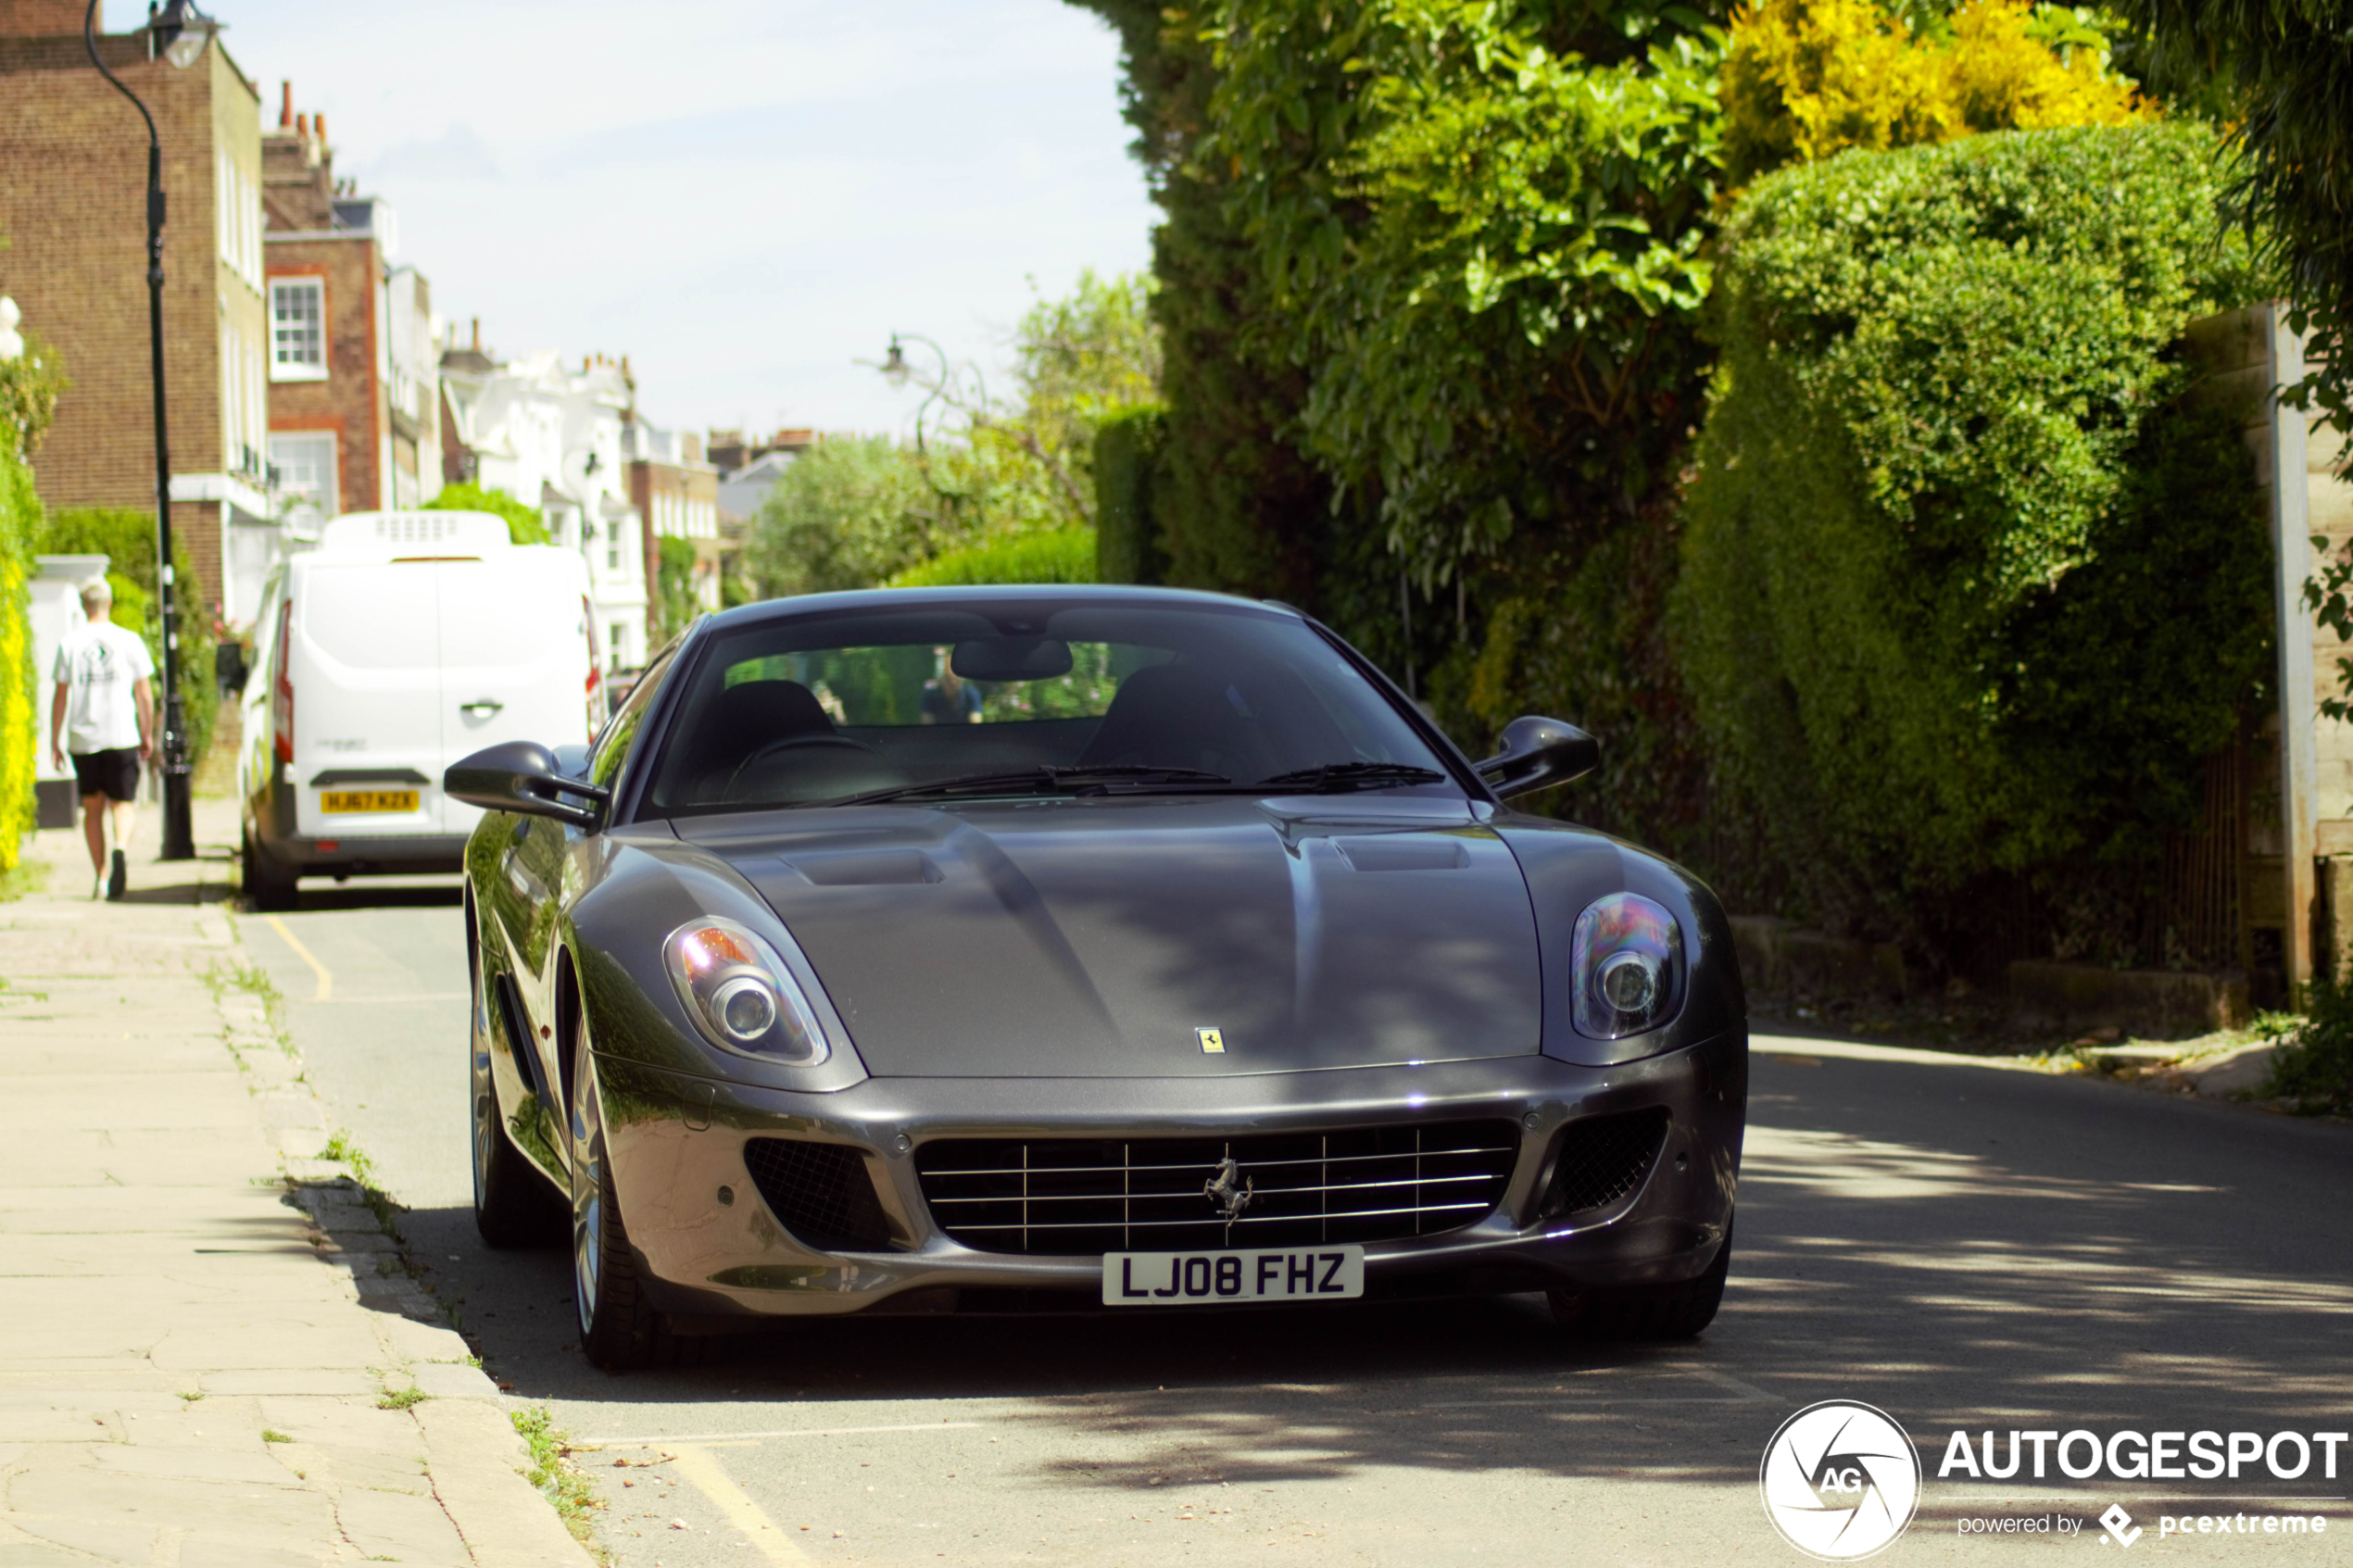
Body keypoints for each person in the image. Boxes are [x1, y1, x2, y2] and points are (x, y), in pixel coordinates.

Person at [49, 577, 156, 901]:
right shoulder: (129, 640)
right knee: (122, 806)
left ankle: (102, 877)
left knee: (91, 809)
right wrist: (147, 732)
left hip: (84, 737)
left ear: (83, 607)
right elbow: (144, 693)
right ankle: (120, 848)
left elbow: (60, 696)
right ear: (109, 603)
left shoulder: (69, 645)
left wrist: (55, 740)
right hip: (122, 734)